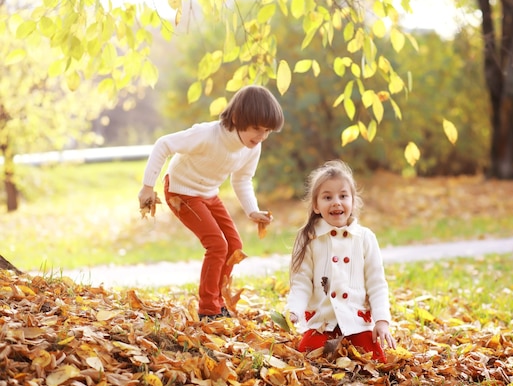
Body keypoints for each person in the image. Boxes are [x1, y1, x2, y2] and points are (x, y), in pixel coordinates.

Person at [138, 85, 284, 321]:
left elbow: (243, 178)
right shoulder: (206, 135)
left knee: (234, 245)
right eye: (257, 129)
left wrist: (252, 210)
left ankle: (218, 301)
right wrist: (147, 185)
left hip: (207, 193)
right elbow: (163, 145)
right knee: (217, 245)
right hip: (181, 192)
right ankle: (208, 309)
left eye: (267, 131)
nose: (262, 137)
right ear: (237, 118)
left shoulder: (251, 148)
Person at [287, 160, 396, 362]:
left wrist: (381, 320)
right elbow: (301, 280)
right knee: (306, 357)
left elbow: (376, 283)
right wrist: (294, 310)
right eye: (327, 197)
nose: (336, 202)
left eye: (343, 196)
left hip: (356, 320)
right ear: (316, 205)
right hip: (322, 321)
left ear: (353, 202)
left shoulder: (365, 237)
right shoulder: (309, 237)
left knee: (374, 361)